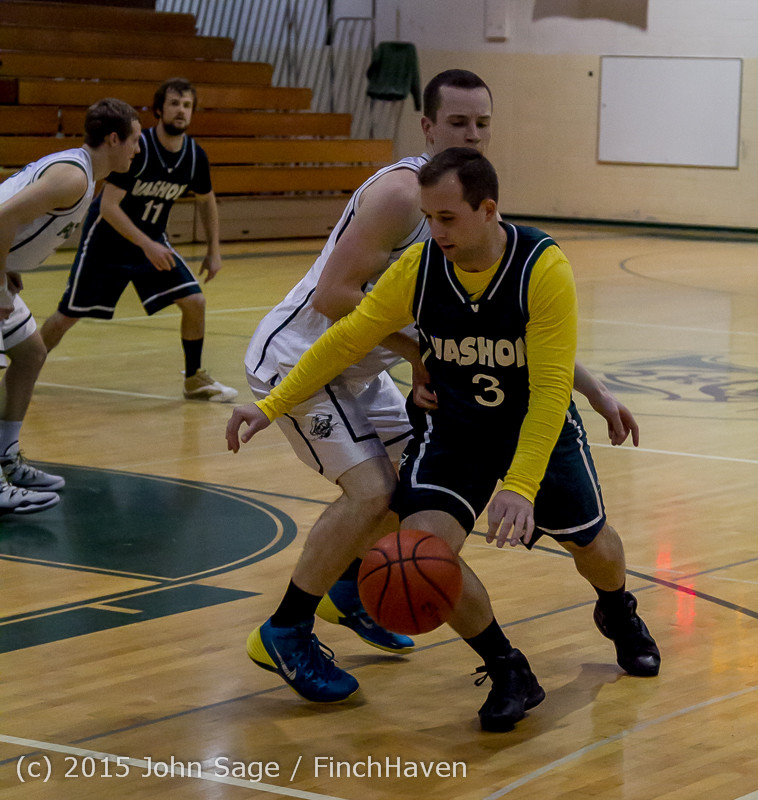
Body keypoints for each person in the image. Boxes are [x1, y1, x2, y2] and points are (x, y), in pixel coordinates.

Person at [228, 70, 639, 705]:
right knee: (380, 500)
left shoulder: (487, 224)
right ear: (426, 127)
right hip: (299, 360)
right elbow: (339, 308)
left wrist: (596, 391)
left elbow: (535, 349)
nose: (473, 136)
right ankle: (286, 628)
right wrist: (425, 355)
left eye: (482, 124)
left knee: (401, 514)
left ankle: (356, 587)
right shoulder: (406, 199)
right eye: (457, 124)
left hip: (379, 374)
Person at [41, 78, 237, 403]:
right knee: (67, 315)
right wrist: (148, 244)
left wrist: (213, 250)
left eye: (187, 105)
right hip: (106, 241)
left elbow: (207, 200)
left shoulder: (194, 156)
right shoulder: (137, 147)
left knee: (195, 302)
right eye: (174, 103)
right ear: (159, 110)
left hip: (151, 243)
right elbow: (107, 206)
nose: (181, 111)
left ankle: (194, 379)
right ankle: (24, 363)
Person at [0, 97, 142, 515]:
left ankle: (6, 455)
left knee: (30, 352)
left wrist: (6, 265)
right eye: (133, 140)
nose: (137, 149)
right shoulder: (74, 178)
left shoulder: (82, 174)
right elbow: (2, 218)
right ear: (113, 139)